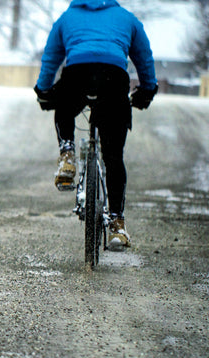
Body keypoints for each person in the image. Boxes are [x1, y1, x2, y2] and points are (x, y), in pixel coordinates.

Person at [33, 0, 158, 251]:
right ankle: (117, 224)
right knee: (113, 158)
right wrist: (147, 89)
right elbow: (144, 57)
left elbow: (52, 57)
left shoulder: (67, 18)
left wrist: (44, 89)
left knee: (63, 102)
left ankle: (67, 153)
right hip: (113, 78)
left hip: (76, 74)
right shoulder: (126, 18)